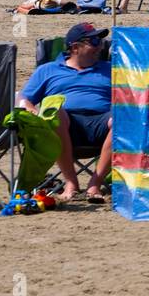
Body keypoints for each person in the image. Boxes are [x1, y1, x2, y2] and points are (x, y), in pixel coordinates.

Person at [18, 22, 114, 202]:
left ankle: (95, 183)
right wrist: (29, 107)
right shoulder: (47, 70)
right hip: (64, 125)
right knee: (56, 111)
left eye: (101, 41)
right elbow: (23, 97)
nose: (100, 46)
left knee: (122, 118)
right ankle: (71, 182)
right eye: (94, 41)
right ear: (75, 47)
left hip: (102, 123)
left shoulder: (111, 69)